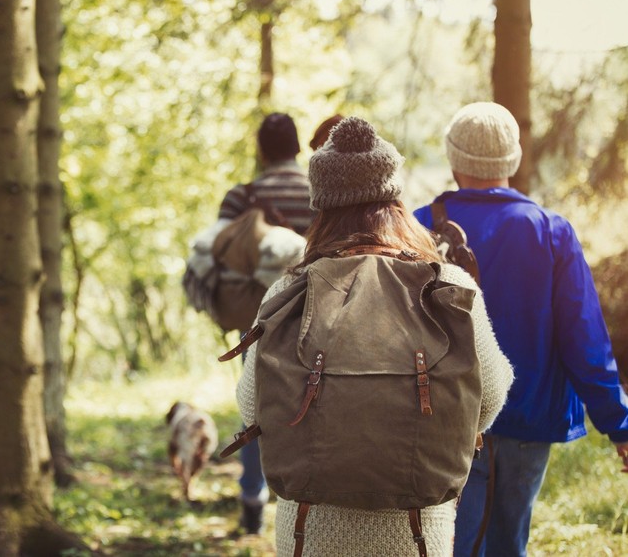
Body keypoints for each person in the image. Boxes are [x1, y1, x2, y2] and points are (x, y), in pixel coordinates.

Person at [237, 116, 514, 556]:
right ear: (394, 198)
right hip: (417, 530)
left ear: (321, 206)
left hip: (311, 531)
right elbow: (493, 392)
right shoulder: (449, 283)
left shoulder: (290, 290)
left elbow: (254, 405)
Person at [413, 101, 628, 557]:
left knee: (448, 543)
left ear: (454, 159)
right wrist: (619, 424)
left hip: (443, 418)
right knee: (509, 543)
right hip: (527, 418)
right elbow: (584, 338)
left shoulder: (418, 229)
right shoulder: (551, 231)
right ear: (512, 159)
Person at [218, 112, 314, 534]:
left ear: (261, 149)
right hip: (317, 316)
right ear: (298, 147)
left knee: (254, 406)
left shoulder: (243, 196)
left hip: (257, 320)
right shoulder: (321, 192)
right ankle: (303, 500)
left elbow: (220, 253)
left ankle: (253, 501)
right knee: (314, 404)